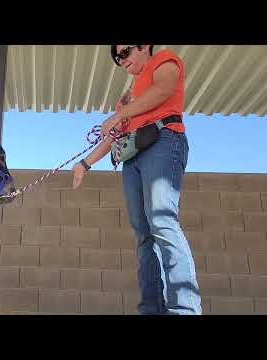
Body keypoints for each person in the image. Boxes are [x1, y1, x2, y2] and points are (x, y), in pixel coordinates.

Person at [72, 45, 201, 315]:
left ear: (144, 46)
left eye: (125, 52)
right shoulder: (126, 98)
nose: (121, 60)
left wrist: (120, 114)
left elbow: (163, 89)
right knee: (143, 234)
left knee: (162, 219)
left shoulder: (164, 60)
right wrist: (86, 163)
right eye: (117, 58)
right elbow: (114, 133)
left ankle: (184, 308)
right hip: (132, 155)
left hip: (163, 140)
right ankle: (151, 308)